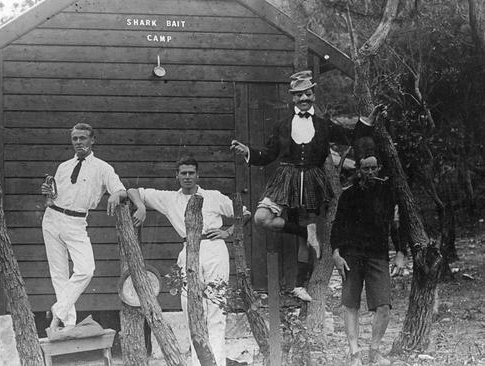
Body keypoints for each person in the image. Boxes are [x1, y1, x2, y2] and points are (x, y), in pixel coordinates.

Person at [230, 70, 378, 300]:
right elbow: (269, 154)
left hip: (312, 181)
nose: (303, 99)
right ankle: (305, 232)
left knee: (306, 241)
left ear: (313, 96)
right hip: (285, 179)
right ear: (292, 98)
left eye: (307, 93)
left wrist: (367, 121)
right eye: (298, 95)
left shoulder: (323, 125)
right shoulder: (281, 125)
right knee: (262, 218)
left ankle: (300, 284)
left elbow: (351, 136)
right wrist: (248, 151)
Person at [127, 157, 250, 366]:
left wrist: (228, 231)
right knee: (190, 308)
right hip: (188, 251)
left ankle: (216, 362)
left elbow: (244, 213)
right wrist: (140, 207)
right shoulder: (169, 199)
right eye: (183, 173)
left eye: (191, 173)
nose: (187, 177)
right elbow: (133, 190)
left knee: (215, 308)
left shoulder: (212, 196)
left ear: (198, 175)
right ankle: (197, 363)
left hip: (213, 250)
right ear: (177, 175)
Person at [41, 123, 127, 332]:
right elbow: (53, 197)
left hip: (77, 222)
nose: (79, 142)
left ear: (92, 140)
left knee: (86, 270)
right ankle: (68, 324)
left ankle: (58, 311)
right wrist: (48, 194)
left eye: (83, 138)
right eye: (75, 139)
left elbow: (121, 190)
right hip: (52, 219)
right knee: (59, 274)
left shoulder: (102, 168)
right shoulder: (63, 166)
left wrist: (116, 194)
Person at [331, 138, 407, 366]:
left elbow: (396, 225)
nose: (371, 172)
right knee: (350, 304)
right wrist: (336, 254)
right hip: (351, 255)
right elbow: (337, 226)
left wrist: (401, 252)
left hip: (378, 254)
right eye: (366, 168)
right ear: (359, 170)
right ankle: (355, 354)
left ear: (379, 168)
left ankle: (374, 351)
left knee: (383, 305)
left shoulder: (388, 193)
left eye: (374, 168)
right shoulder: (348, 195)